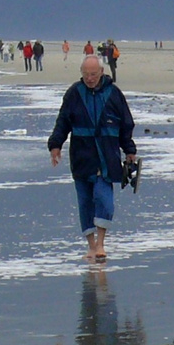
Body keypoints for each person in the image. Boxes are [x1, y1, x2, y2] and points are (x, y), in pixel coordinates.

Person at [48, 54, 138, 261]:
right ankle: (91, 246)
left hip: (107, 156)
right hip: (81, 156)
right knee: (85, 202)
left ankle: (101, 244)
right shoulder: (74, 94)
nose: (89, 78)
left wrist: (129, 149)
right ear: (81, 74)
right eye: (86, 74)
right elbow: (62, 122)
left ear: (101, 73)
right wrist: (55, 146)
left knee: (104, 200)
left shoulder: (114, 94)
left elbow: (126, 124)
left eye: (93, 74)